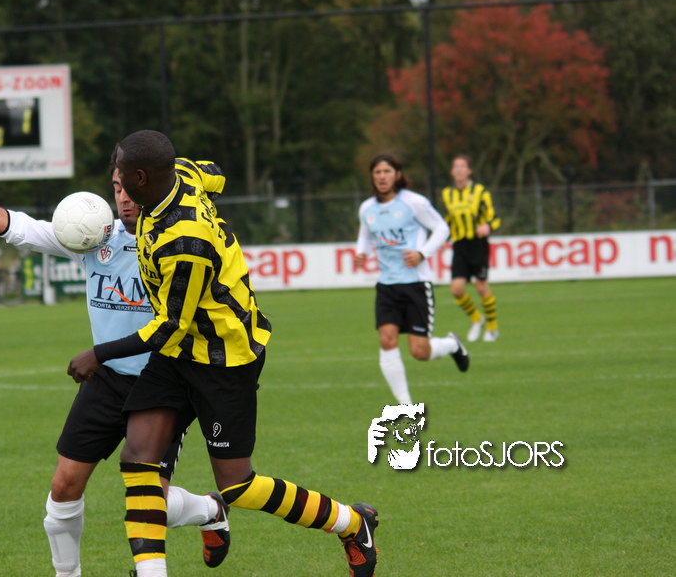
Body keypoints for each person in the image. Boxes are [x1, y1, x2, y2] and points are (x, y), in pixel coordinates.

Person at [67, 130, 378, 577]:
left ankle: (351, 523)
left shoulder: (185, 243)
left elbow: (168, 325)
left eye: (122, 177)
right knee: (138, 459)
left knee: (238, 486)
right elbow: (217, 173)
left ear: (142, 177)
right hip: (178, 354)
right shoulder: (183, 174)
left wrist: (98, 354)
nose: (118, 188)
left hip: (223, 359)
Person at [0, 168, 231, 577]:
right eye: (117, 188)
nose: (124, 197)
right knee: (63, 487)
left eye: (131, 188)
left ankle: (208, 510)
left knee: (152, 503)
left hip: (164, 385)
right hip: (107, 380)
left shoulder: (178, 241)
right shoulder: (94, 234)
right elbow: (22, 229)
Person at [353, 153, 470, 407]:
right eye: (377, 172)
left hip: (416, 284)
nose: (382, 177)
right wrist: (362, 252)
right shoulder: (367, 208)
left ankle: (452, 344)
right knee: (387, 340)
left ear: (397, 175)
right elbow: (366, 236)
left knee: (419, 352)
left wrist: (422, 253)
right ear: (372, 177)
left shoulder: (414, 202)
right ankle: (405, 405)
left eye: (387, 171)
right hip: (386, 285)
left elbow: (442, 228)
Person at [441, 155, 501, 342]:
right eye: (456, 166)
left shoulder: (480, 191)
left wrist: (487, 226)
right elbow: (449, 219)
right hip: (460, 245)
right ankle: (477, 319)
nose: (459, 169)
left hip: (478, 244)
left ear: (469, 171)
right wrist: (442, 237)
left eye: (462, 166)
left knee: (481, 287)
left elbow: (495, 217)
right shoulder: (447, 194)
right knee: (456, 289)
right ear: (452, 172)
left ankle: (492, 327)